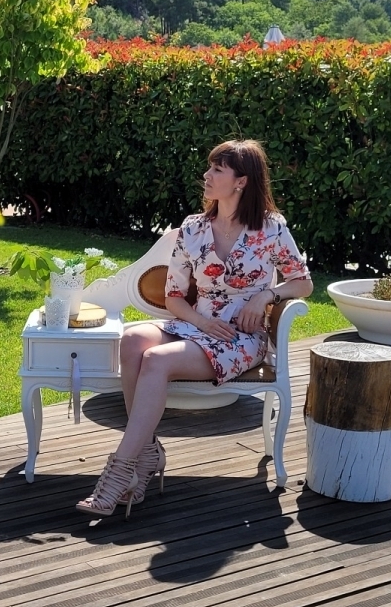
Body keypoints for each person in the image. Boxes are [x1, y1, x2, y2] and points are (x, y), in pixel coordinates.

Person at [76, 139, 313, 518]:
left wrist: (266, 295)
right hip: (196, 324)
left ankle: (120, 473)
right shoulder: (193, 228)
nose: (207, 175)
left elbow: (303, 283)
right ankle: (148, 453)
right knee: (133, 339)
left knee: (156, 360)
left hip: (239, 338)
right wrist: (201, 321)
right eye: (209, 167)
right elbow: (173, 298)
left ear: (241, 182)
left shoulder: (271, 229)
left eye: (217, 170)